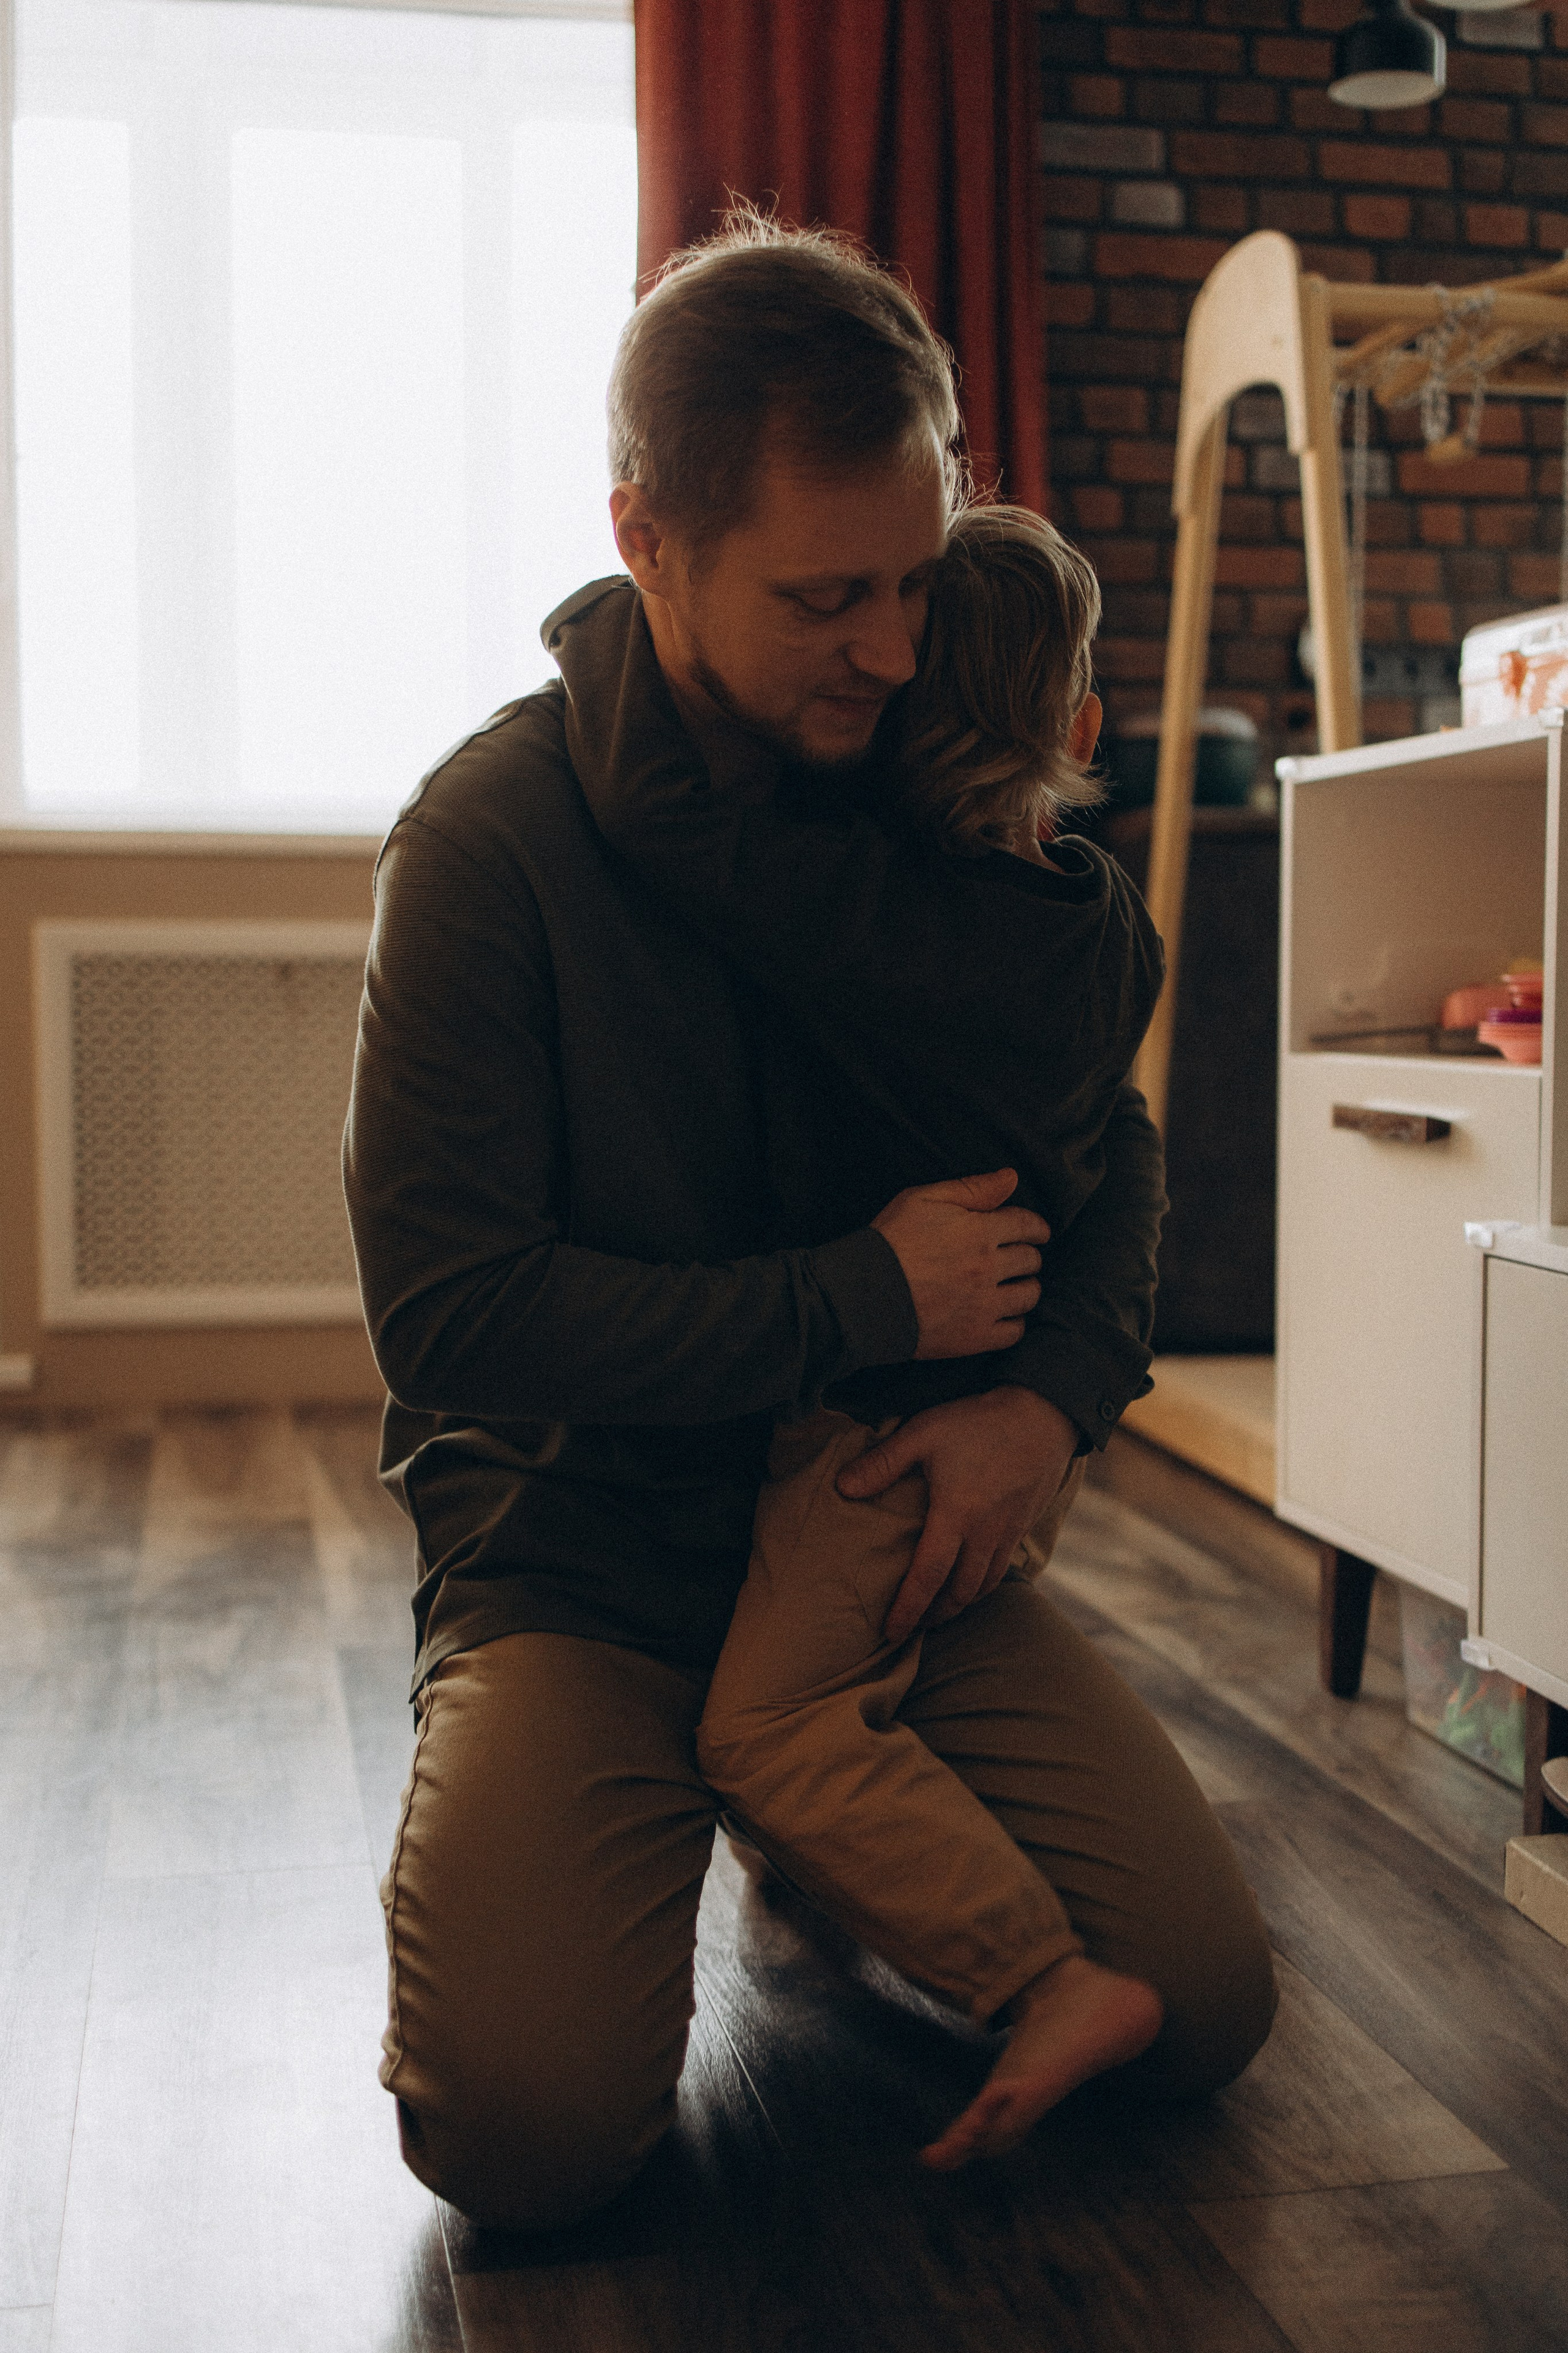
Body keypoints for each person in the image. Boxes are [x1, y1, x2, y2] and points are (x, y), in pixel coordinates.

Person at [344, 214, 1277, 2235]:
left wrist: (1046, 1406)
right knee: (516, 2128)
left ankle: (808, 1821)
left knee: (1202, 2003)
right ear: (647, 539)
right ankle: (692, 1799)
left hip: (873, 1538)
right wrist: (853, 1294)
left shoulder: (923, 783)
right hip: (587, 1553)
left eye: (921, 581)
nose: (891, 645)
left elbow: (1106, 1169)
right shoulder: (488, 847)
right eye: (826, 595)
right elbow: (453, 1320)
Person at [573, 499, 1174, 2170]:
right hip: (997, 1424)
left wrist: (608, 615)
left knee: (769, 1724)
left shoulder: (863, 913)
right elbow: (1113, 1144)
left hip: (888, 1435)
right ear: (1081, 725)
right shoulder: (1108, 924)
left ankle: (1043, 1974)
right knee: (845, 1673)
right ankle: (831, 1871)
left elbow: (661, 814)